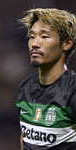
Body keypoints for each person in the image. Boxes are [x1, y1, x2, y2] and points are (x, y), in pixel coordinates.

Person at [16, 8, 76, 150]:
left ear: (67, 43)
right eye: (32, 37)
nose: (35, 44)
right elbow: (24, 138)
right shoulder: (25, 87)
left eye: (44, 36)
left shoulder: (72, 91)